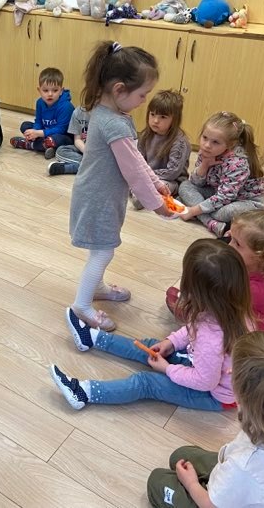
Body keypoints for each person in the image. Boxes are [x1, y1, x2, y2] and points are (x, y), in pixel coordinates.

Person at [51, 239, 253, 411]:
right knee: (150, 346)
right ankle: (91, 338)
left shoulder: (211, 338)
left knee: (145, 383)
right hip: (204, 367)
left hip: (213, 395)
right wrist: (171, 342)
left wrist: (167, 369)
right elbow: (194, 330)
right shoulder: (228, 306)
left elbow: (204, 381)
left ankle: (83, 393)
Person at [146, 331, 264, 508]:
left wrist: (191, 484)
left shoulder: (242, 467)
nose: (229, 372)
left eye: (234, 375)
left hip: (221, 495)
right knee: (180, 455)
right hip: (241, 477)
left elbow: (210, 505)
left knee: (157, 480)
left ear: (243, 402)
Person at [68, 41, 170, 331]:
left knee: (101, 247)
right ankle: (82, 305)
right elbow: (133, 171)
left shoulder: (112, 115)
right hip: (97, 199)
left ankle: (97, 287)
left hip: (101, 195)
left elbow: (134, 159)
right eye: (142, 94)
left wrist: (155, 182)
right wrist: (157, 205)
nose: (144, 101)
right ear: (119, 90)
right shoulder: (113, 123)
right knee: (103, 251)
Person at [168, 203, 264, 335]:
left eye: (237, 243)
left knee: (183, 300)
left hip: (245, 339)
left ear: (262, 256)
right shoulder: (263, 269)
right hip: (248, 323)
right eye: (231, 238)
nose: (229, 245)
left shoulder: (254, 289)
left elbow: (218, 305)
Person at [178, 111, 264, 238]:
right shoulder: (206, 152)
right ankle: (210, 222)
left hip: (245, 201)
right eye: (205, 138)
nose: (207, 145)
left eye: (215, 142)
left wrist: (193, 210)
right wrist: (205, 164)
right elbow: (196, 183)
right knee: (185, 186)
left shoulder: (237, 163)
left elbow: (225, 197)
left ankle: (204, 217)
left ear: (230, 145)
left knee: (221, 213)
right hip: (217, 191)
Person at [132, 89, 190, 208]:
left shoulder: (180, 142)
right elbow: (138, 159)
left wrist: (147, 175)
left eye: (163, 117)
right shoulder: (145, 135)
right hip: (147, 175)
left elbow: (172, 172)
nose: (155, 121)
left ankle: (142, 195)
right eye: (152, 114)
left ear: (174, 119)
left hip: (170, 180)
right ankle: (140, 193)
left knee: (162, 186)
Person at [9, 67, 74, 158]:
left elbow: (61, 129)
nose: (50, 94)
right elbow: (38, 121)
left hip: (63, 136)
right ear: (39, 90)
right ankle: (46, 146)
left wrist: (39, 133)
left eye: (55, 90)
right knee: (25, 126)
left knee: (57, 139)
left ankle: (30, 145)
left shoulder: (66, 106)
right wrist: (34, 132)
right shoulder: (39, 102)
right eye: (45, 90)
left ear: (61, 91)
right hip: (45, 133)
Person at [48, 105, 88, 176]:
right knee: (61, 150)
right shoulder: (79, 112)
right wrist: (87, 152)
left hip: (100, 153)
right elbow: (77, 140)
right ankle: (87, 165)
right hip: (85, 149)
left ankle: (72, 168)